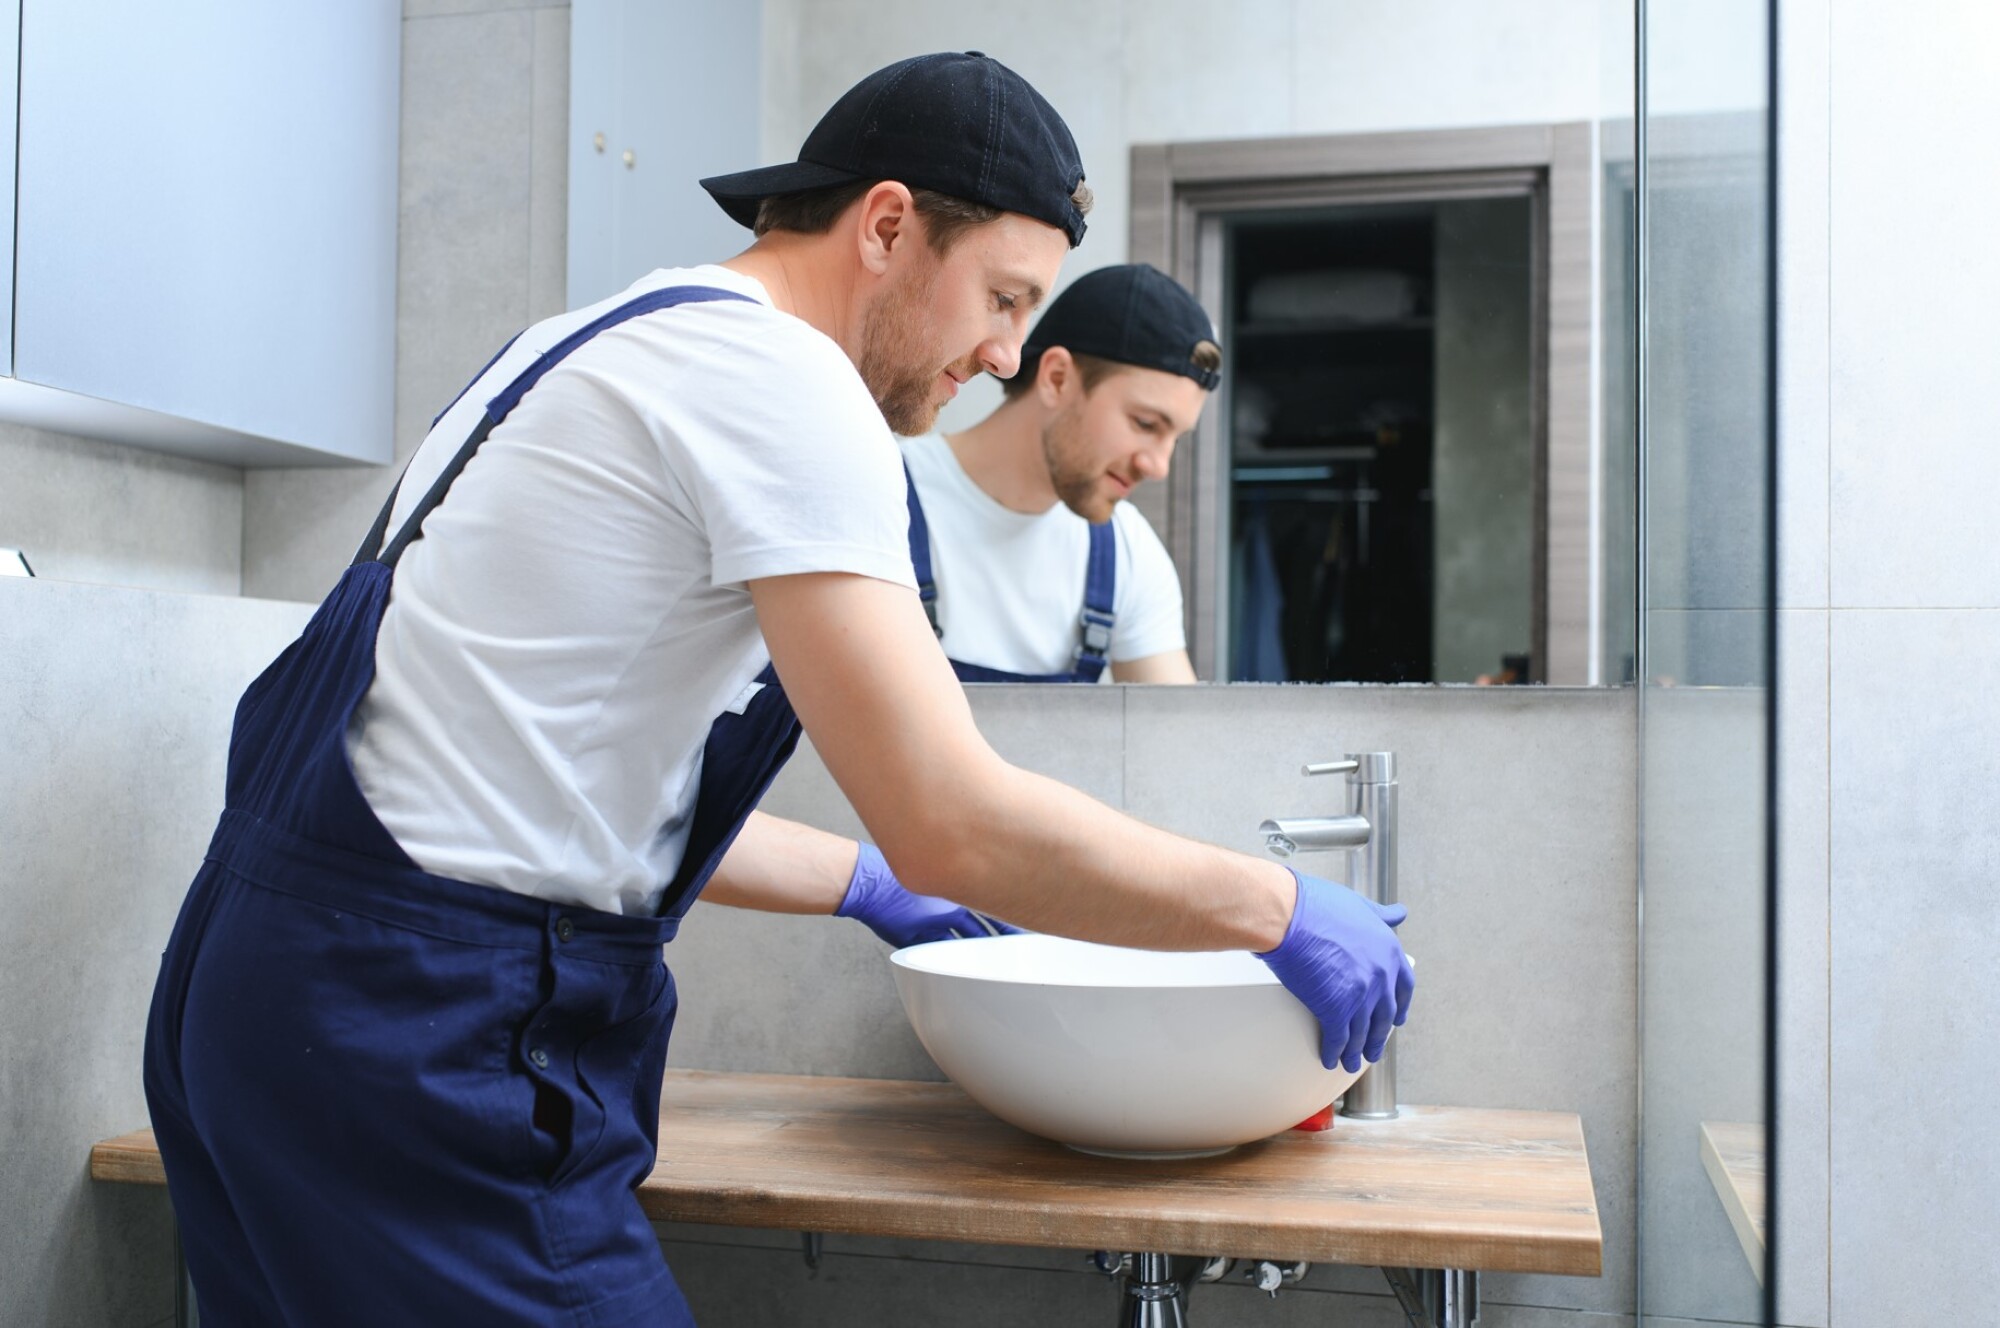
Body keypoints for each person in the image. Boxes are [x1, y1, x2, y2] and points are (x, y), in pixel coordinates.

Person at [141, 52, 1412, 1326]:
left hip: (257, 993)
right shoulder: (787, 385)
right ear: (886, 226)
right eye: (1002, 297)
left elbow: (534, 784)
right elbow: (951, 818)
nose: (1005, 353)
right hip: (418, 1038)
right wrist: (1278, 905)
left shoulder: (596, 337)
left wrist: (865, 881)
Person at [902, 263, 1214, 682]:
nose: (1158, 466)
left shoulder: (1127, 550)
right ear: (1057, 378)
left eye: (1176, 438)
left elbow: (1174, 723)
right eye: (1145, 424)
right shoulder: (884, 495)